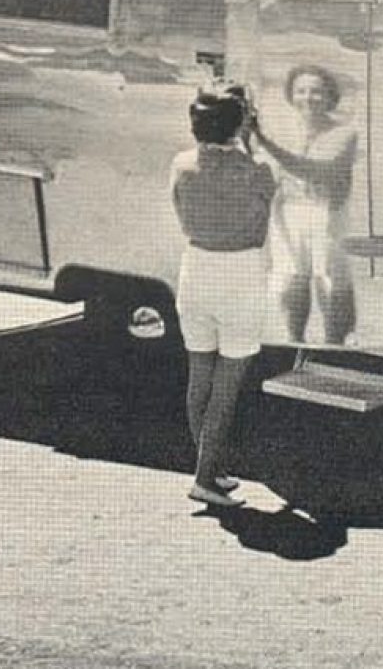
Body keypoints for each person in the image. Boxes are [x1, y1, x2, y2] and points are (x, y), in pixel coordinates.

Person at [169, 84, 276, 508]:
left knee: (200, 378)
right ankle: (204, 480)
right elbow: (262, 223)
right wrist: (251, 138)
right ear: (240, 124)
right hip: (239, 275)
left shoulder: (181, 165)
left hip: (195, 269)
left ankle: (210, 468)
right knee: (227, 389)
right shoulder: (257, 170)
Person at [252, 65, 359, 345]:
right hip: (289, 212)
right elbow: (267, 174)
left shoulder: (344, 133)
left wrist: (263, 139)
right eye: (300, 91)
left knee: (330, 281)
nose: (307, 98)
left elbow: (314, 170)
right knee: (291, 281)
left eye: (316, 92)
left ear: (330, 97)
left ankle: (335, 346)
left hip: (327, 213)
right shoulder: (283, 131)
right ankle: (295, 343)